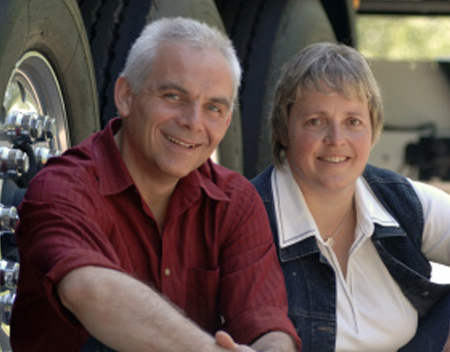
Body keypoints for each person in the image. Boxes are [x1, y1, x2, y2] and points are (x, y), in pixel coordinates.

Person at [11, 17, 300, 352]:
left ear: (228, 120)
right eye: (174, 96)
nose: (193, 122)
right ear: (125, 96)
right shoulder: (62, 187)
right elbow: (88, 289)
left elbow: (265, 321)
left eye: (213, 108)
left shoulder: (235, 202)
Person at [251, 42, 450, 352]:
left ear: (373, 127)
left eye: (352, 122)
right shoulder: (247, 216)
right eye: (316, 121)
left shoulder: (394, 199)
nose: (336, 140)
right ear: (284, 130)